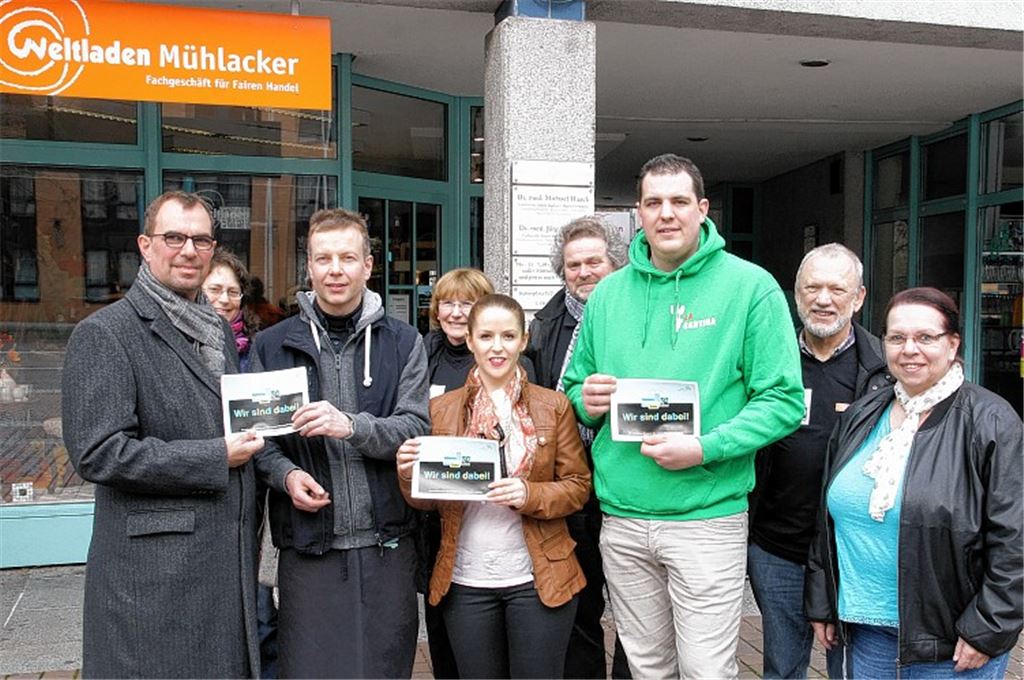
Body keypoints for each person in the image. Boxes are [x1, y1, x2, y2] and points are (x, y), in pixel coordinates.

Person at [562, 153, 805, 679]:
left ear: (702, 209)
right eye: (653, 202)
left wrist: (706, 447)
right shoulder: (608, 294)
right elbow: (576, 388)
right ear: (638, 213)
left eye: (678, 201)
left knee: (706, 671)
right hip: (624, 516)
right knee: (648, 668)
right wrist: (590, 399)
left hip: (706, 517)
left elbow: (783, 400)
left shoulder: (750, 287)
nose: (665, 214)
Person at [61, 191, 264, 678]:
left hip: (222, 568)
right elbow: (99, 453)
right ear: (145, 246)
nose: (189, 250)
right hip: (153, 583)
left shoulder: (216, 330)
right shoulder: (105, 334)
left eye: (200, 239)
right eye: (174, 237)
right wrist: (214, 457)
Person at [805, 287, 1022, 679]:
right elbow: (826, 520)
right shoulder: (862, 413)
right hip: (864, 633)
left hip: (951, 643)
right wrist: (823, 601)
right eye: (897, 337)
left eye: (925, 337)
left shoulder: (990, 421)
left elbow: (1015, 540)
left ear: (953, 343)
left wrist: (988, 629)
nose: (910, 349)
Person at [250, 207, 430, 678]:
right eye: (323, 258)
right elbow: (257, 440)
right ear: (308, 267)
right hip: (309, 547)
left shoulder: (404, 341)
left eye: (347, 258)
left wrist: (352, 425)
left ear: (368, 265)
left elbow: (415, 427)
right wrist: (285, 476)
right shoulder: (272, 346)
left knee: (385, 670)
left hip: (387, 542)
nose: (335, 269)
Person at [397, 293, 592, 678]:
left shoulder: (553, 406)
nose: (497, 347)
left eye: (507, 336)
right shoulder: (442, 409)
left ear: (523, 340)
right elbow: (426, 502)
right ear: (470, 341)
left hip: (538, 578)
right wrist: (407, 474)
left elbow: (578, 486)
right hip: (466, 579)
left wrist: (529, 493)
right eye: (486, 336)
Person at [748, 243, 892, 679]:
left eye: (837, 288)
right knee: (782, 666)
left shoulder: (885, 370)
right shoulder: (765, 362)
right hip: (777, 547)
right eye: (812, 287)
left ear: (859, 297)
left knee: (851, 669)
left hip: (852, 552)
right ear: (796, 294)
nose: (823, 299)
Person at [524, 215, 632, 679]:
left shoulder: (633, 316)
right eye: (573, 265)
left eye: (594, 261)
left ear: (615, 264)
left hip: (625, 486)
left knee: (635, 612)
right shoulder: (544, 326)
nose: (584, 272)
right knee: (578, 611)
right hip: (571, 493)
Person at [204, 248, 259, 371]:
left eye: (233, 292)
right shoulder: (184, 340)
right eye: (214, 289)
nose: (224, 300)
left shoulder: (258, 346)